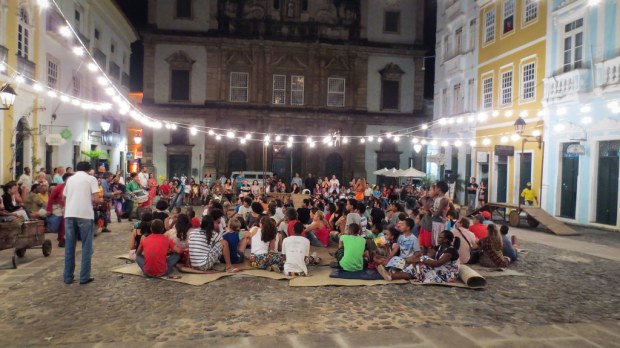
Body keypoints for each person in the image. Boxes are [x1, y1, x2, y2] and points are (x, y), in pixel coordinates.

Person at [62, 162, 100, 285]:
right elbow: (96, 198)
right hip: (85, 215)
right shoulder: (91, 179)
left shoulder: (70, 179)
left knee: (69, 246)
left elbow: (64, 198)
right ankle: (84, 277)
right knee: (86, 247)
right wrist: (94, 203)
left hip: (69, 214)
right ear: (89, 169)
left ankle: (68, 277)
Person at [379, 230, 460, 283]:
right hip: (439, 268)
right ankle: (392, 275)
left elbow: (437, 263)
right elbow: (428, 256)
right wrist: (417, 258)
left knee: (422, 266)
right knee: (418, 265)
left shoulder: (450, 251)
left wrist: (419, 260)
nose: (438, 238)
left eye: (440, 237)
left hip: (447, 273)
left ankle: (393, 274)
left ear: (446, 240)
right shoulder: (439, 247)